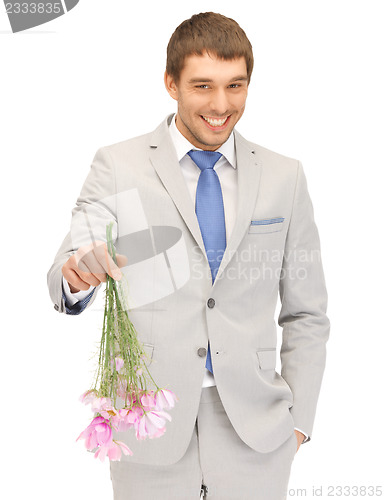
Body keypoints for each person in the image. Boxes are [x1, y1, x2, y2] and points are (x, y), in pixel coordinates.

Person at [47, 11, 330, 500]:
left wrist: (298, 422)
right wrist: (77, 275)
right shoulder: (120, 165)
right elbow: (65, 270)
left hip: (257, 431)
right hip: (149, 425)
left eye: (235, 85)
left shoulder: (285, 176)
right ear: (170, 83)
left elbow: (307, 312)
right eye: (203, 86)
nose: (221, 105)